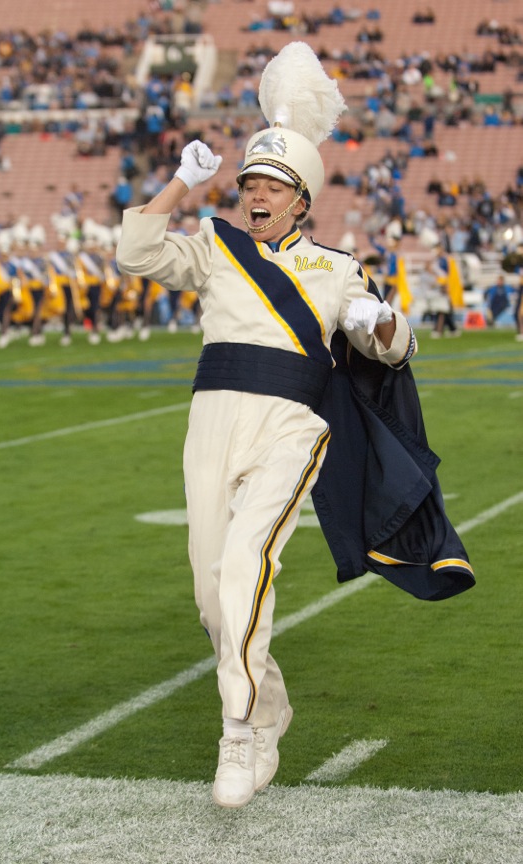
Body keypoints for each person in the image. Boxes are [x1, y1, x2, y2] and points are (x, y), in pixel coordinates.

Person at [116, 43, 473, 811]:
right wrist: (183, 181)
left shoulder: (336, 268)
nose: (256, 194)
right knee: (215, 601)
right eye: (250, 182)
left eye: (272, 185)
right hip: (210, 421)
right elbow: (133, 251)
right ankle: (271, 707)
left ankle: (238, 734)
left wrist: (381, 322)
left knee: (247, 564)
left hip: (291, 425)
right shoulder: (216, 245)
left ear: (302, 199)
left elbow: (394, 343)